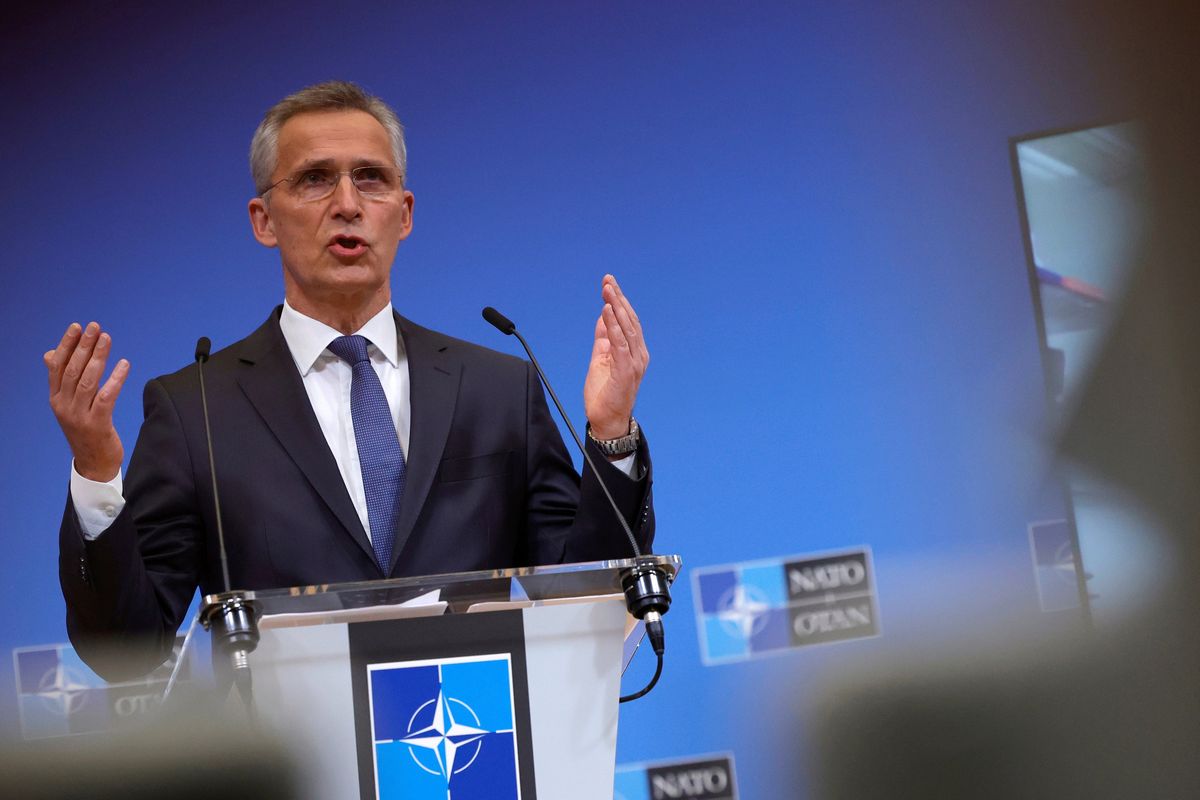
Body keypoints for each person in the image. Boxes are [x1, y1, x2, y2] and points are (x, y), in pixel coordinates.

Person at [46, 81, 654, 680]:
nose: (347, 203)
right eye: (315, 179)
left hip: (471, 755)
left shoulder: (498, 388)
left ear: (405, 212)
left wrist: (610, 434)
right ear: (263, 220)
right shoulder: (197, 410)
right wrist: (98, 472)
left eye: (371, 178)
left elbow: (584, 605)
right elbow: (126, 649)